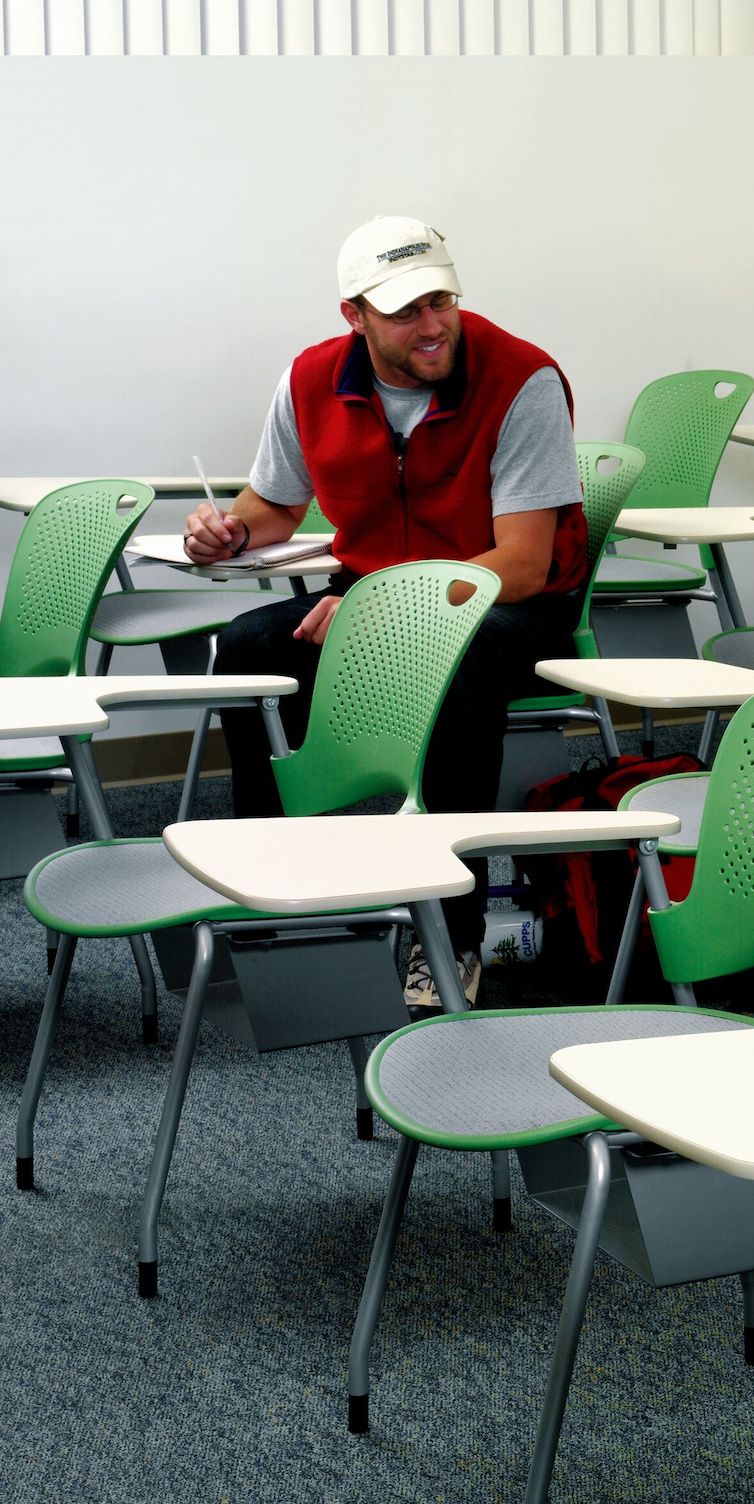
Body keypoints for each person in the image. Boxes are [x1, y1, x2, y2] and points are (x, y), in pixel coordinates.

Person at [185, 216, 589, 1011]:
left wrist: (381, 610)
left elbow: (522, 562)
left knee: (454, 669)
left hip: (507, 605)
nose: (433, 325)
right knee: (247, 647)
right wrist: (226, 529)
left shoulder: (522, 380)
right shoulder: (310, 380)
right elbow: (272, 504)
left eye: (442, 300)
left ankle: (450, 932)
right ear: (356, 316)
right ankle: (277, 886)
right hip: (372, 588)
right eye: (406, 311)